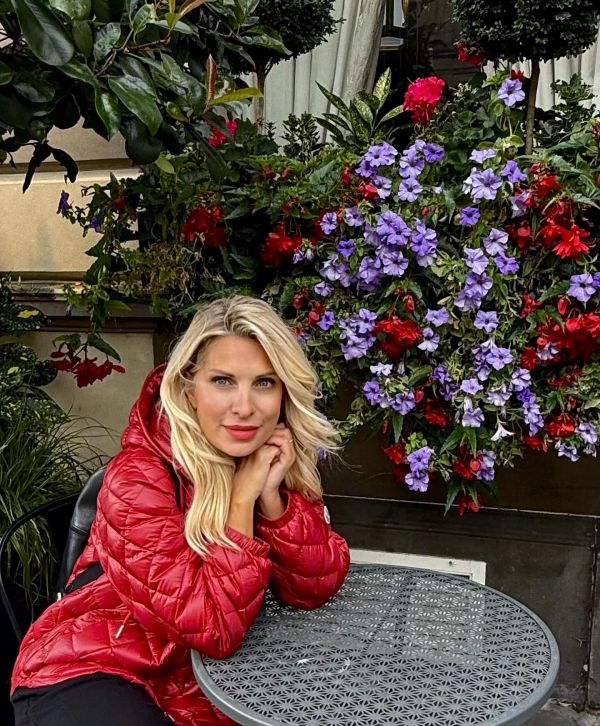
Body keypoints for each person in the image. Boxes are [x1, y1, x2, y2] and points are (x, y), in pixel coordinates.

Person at [11, 295, 350, 726]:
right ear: (189, 389)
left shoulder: (268, 458)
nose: (244, 407)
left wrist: (271, 499)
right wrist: (240, 503)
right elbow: (213, 626)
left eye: (264, 383)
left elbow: (315, 585)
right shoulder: (138, 477)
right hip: (97, 663)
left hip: (199, 683)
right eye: (223, 381)